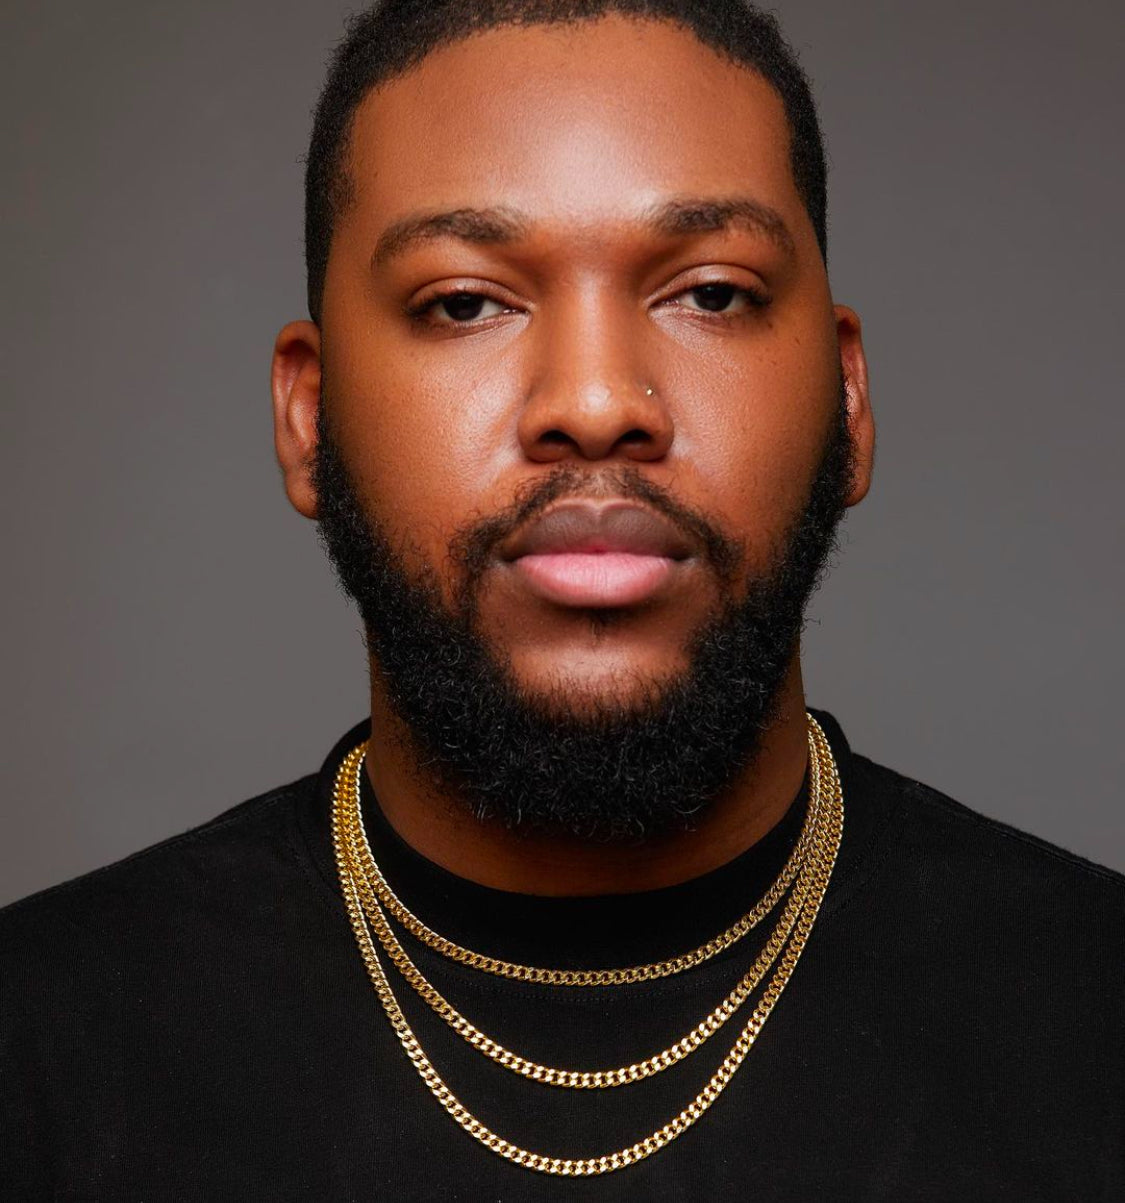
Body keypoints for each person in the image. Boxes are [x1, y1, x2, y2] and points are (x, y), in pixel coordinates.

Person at [2, 1, 1122, 1197]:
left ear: (848, 400)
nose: (595, 402)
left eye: (713, 292)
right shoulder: (39, 1053)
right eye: (466, 302)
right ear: (307, 418)